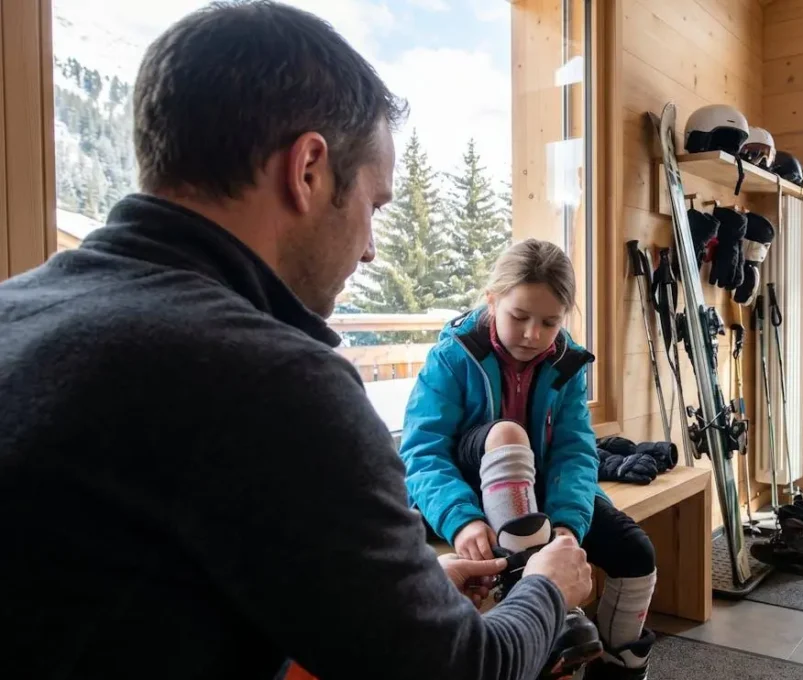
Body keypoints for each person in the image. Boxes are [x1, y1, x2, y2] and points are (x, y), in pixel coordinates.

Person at [0, 3, 595, 679]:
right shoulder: (273, 380)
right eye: (372, 204)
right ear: (308, 168)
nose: (370, 250)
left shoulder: (15, 310)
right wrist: (547, 587)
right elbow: (463, 669)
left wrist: (408, 583)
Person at [400, 239, 657, 680]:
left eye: (549, 322)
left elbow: (575, 452)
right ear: (492, 300)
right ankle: (544, 611)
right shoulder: (450, 357)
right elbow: (422, 454)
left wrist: (566, 527)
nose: (532, 335)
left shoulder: (567, 363)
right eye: (518, 317)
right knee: (506, 432)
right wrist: (460, 519)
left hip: (540, 494)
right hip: (467, 495)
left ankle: (619, 666)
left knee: (637, 553)